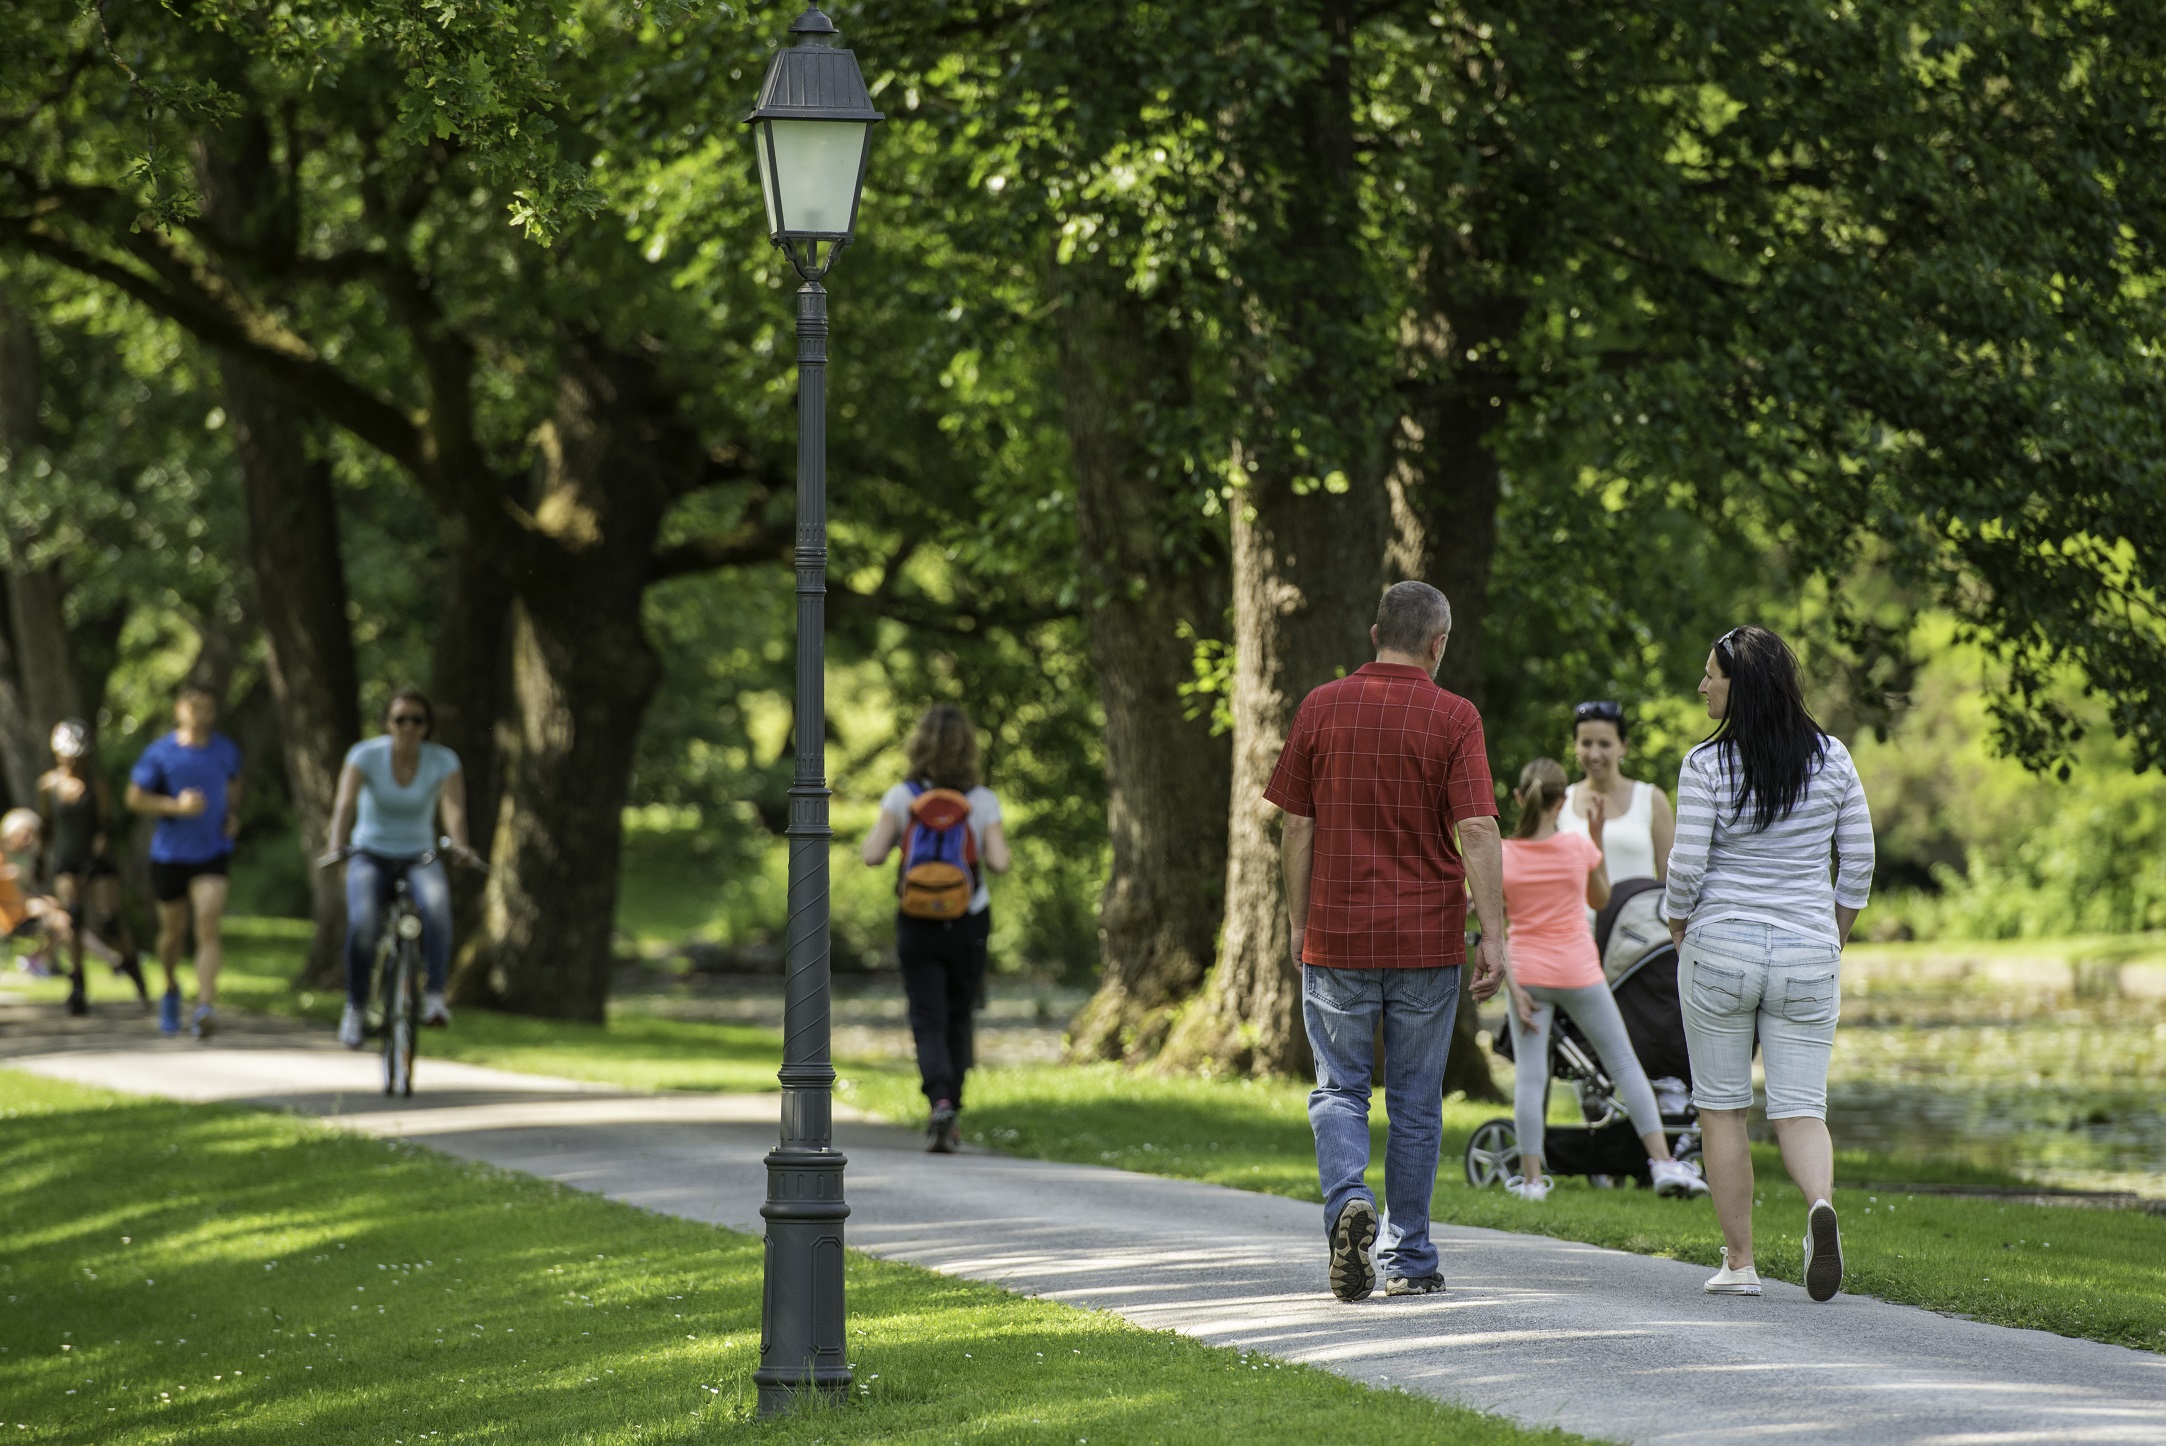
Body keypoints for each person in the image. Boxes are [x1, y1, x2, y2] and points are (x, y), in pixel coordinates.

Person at [1268, 580, 1506, 1303]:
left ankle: (1347, 1200)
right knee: (1415, 1099)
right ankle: (1410, 1256)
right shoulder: (1454, 716)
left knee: (1339, 1086)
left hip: (1337, 931)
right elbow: (1478, 829)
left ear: (1375, 634)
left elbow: (1296, 825)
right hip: (1427, 937)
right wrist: (1493, 933)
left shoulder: (1320, 706)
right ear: (1438, 644)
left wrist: (1297, 923)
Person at [1665, 625, 1873, 1303]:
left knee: (1723, 1111)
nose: (1701, 685)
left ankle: (1741, 1262)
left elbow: (1687, 865)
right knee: (1801, 1109)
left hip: (1720, 946)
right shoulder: (1834, 758)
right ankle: (1818, 1206)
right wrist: (1833, 933)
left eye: (1711, 676)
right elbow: (1860, 862)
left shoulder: (1705, 765)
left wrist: (1677, 924)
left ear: (1740, 686)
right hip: (1809, 950)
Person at [1500, 757, 1708, 1202]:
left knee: (1531, 1079)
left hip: (1528, 977)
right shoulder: (1578, 847)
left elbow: (1498, 928)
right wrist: (1594, 838)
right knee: (1624, 1063)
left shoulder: (1502, 853)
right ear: (1562, 803)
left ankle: (1533, 1181)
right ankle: (1663, 1162)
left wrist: (1513, 990)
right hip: (1579, 973)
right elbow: (1601, 896)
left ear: (1520, 798)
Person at [860, 704, 1010, 1154]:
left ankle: (939, 1101)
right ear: (969, 749)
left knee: (927, 1018)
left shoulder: (902, 797)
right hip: (968, 921)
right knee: (958, 1017)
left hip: (916, 921)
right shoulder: (982, 801)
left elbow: (871, 854)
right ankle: (953, 1111)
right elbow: (1000, 862)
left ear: (917, 745)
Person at [326, 688, 476, 1048]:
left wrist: (460, 844)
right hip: (369, 852)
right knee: (364, 924)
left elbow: (453, 808)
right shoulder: (365, 755)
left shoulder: (443, 760)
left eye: (417, 720)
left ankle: (435, 995)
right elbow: (345, 804)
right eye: (400, 719)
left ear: (427, 726)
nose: (408, 727)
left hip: (419, 854)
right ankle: (357, 1007)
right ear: (387, 723)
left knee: (437, 905)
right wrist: (336, 842)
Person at [126, 684, 243, 1039]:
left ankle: (206, 1005)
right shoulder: (160, 753)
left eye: (208, 708)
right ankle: (171, 986)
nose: (202, 716)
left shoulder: (226, 750)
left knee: (207, 923)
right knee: (172, 934)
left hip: (212, 851)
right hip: (170, 853)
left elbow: (234, 791)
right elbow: (134, 798)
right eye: (195, 708)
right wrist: (175, 806)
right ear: (180, 710)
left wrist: (233, 816)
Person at [38, 719, 147, 1014]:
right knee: (73, 918)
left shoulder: (95, 786)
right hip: (66, 859)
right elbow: (47, 825)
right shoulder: (49, 785)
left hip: (97, 861)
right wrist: (40, 858)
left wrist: (99, 850)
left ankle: (135, 974)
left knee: (110, 918)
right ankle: (77, 984)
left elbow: (105, 825)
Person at [1556, 701, 1674, 885]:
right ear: (1575, 746)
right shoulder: (1561, 801)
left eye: (1605, 744)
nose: (1594, 754)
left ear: (1623, 746)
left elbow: (1670, 879)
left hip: (1638, 913)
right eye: (1586, 743)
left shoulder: (1651, 799)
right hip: (1577, 915)